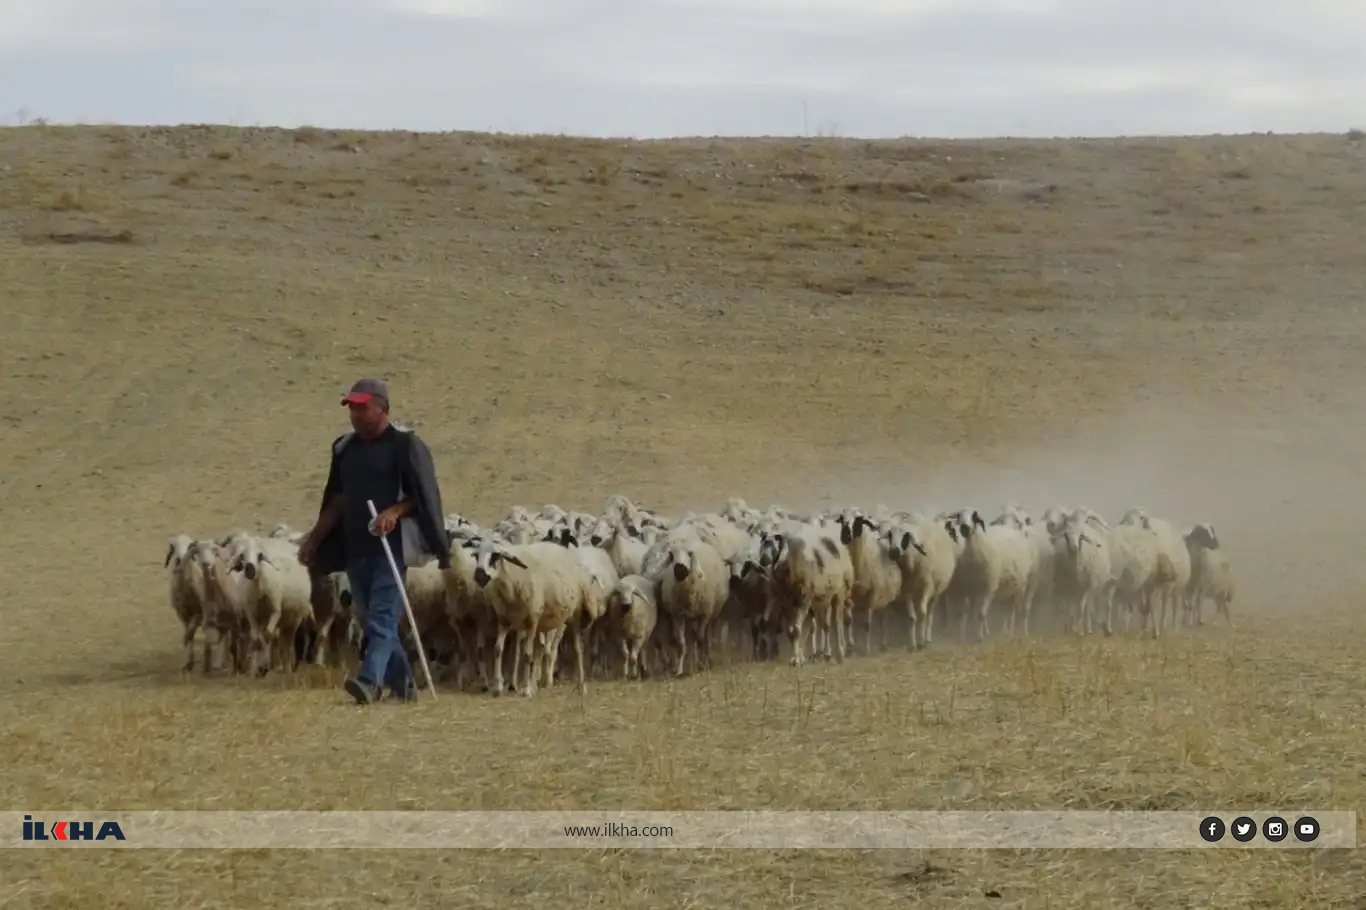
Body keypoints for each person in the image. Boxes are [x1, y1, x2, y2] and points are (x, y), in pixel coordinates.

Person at [298, 378, 452, 705]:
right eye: (351, 407)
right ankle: (405, 686)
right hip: (356, 547)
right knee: (371, 619)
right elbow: (338, 500)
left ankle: (369, 681)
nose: (354, 414)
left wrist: (394, 511)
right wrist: (315, 539)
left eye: (361, 407)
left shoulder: (404, 445)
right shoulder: (345, 449)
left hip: (390, 547)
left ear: (382, 408)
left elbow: (421, 496)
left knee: (382, 616)